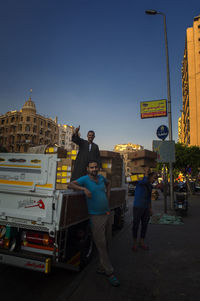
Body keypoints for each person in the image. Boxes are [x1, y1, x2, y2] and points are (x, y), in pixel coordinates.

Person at [68, 160, 120, 287]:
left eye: (96, 167)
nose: (94, 169)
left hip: (107, 214)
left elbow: (109, 183)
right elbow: (70, 184)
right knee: (101, 245)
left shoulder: (101, 178)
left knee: (107, 242)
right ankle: (110, 272)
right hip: (96, 217)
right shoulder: (85, 179)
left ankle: (101, 268)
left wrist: (108, 192)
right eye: (92, 167)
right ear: (88, 169)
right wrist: (83, 189)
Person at [132, 168, 156, 252]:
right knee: (136, 225)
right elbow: (143, 181)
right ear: (148, 177)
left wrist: (150, 208)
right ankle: (134, 243)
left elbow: (149, 198)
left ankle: (141, 242)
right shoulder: (140, 181)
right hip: (138, 207)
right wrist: (146, 173)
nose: (154, 179)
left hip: (146, 208)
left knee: (144, 225)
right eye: (153, 177)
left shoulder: (150, 186)